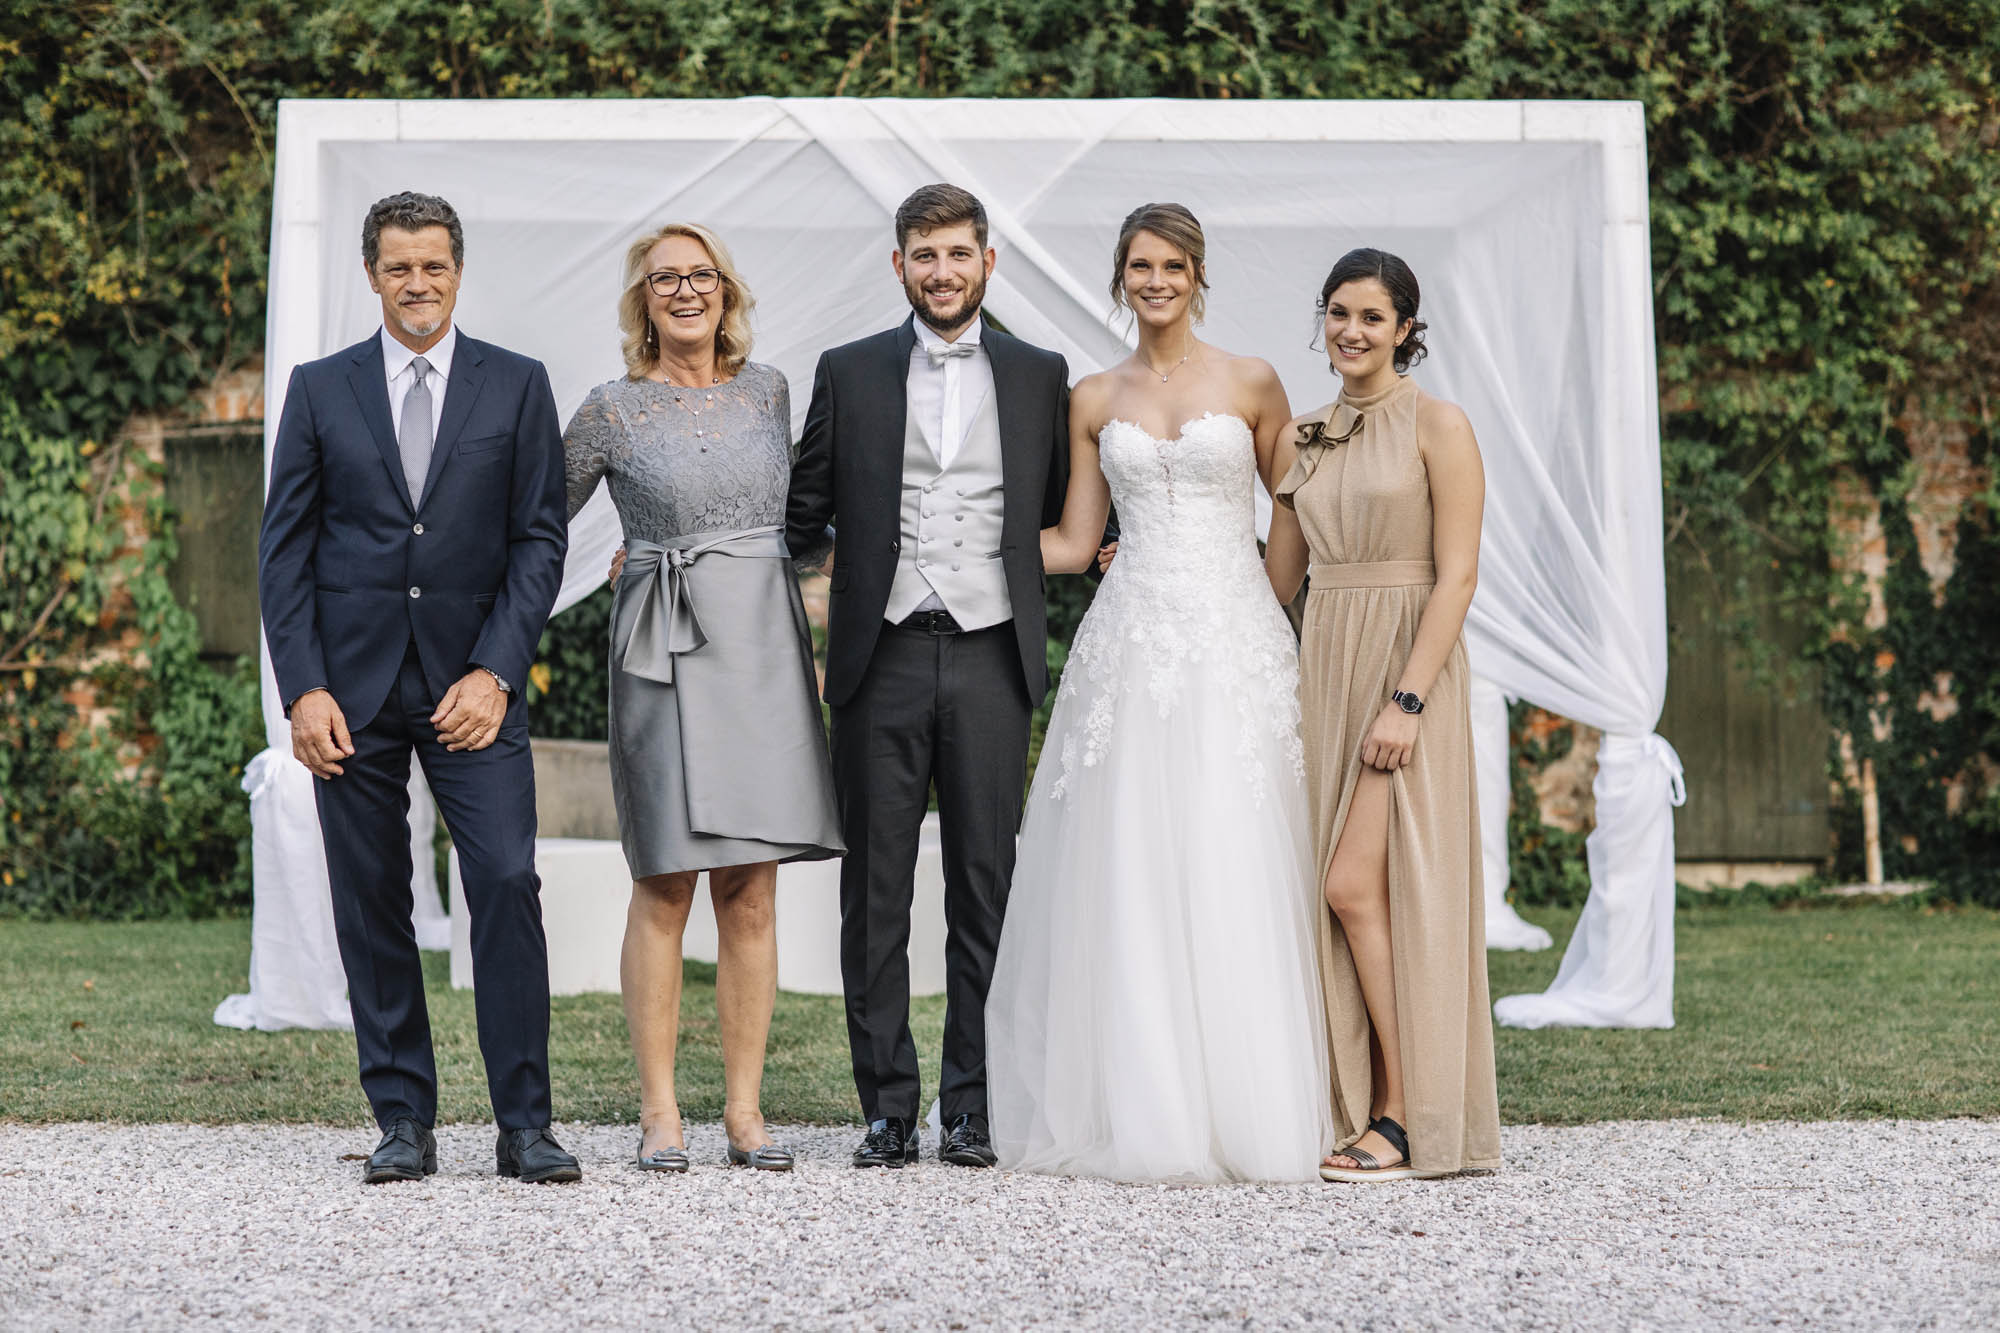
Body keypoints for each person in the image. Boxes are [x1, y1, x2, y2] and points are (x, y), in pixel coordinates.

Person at [985, 203, 1333, 1183]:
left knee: (1231, 848)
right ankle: (1146, 1105)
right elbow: (1068, 539)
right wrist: (960, 543)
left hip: (1231, 634)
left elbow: (1292, 505)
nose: (1154, 280)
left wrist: (1259, 603)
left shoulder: (1252, 379)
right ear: (1119, 276)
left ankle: (1252, 1105)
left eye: (1171, 265)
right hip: (1130, 643)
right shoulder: (1093, 396)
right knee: (1130, 854)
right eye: (1138, 265)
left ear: (1197, 273)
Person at [259, 191, 580, 1184]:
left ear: (457, 269)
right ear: (372, 275)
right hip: (348, 696)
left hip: (471, 689)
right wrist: (303, 689)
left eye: (433, 265)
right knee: (370, 901)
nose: (417, 283)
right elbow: (285, 555)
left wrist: (495, 669)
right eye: (399, 266)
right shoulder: (320, 389)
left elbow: (539, 539)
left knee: (503, 881)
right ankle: (402, 1116)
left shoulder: (516, 385)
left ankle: (525, 1123)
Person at [785, 184, 1071, 1170]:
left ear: (987, 260)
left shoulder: (1040, 374)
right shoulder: (850, 370)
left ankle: (975, 1104)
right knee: (875, 889)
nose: (940, 271)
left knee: (985, 885)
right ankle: (885, 1106)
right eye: (922, 255)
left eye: (956, 253)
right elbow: (801, 508)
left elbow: (1069, 510)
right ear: (897, 265)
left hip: (994, 653)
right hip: (882, 653)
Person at [567, 223, 842, 1174]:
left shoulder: (769, 391)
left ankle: (745, 1111)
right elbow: (534, 516)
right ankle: (659, 1113)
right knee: (663, 879)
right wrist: (634, 559)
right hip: (662, 651)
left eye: (701, 275)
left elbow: (802, 526)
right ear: (643, 301)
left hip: (764, 646)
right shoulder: (610, 409)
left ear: (727, 289)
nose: (686, 291)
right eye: (665, 280)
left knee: (753, 889)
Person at [1264, 247, 1502, 1181]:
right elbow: (1277, 580)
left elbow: (1461, 574)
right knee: (1344, 891)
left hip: (1408, 658)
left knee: (1356, 885)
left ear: (1406, 327)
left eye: (1372, 316)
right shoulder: (1301, 436)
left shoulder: (1439, 424)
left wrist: (1406, 699)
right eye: (1337, 314)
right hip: (1324, 656)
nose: (1351, 332)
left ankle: (1406, 1114)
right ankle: (1372, 1102)